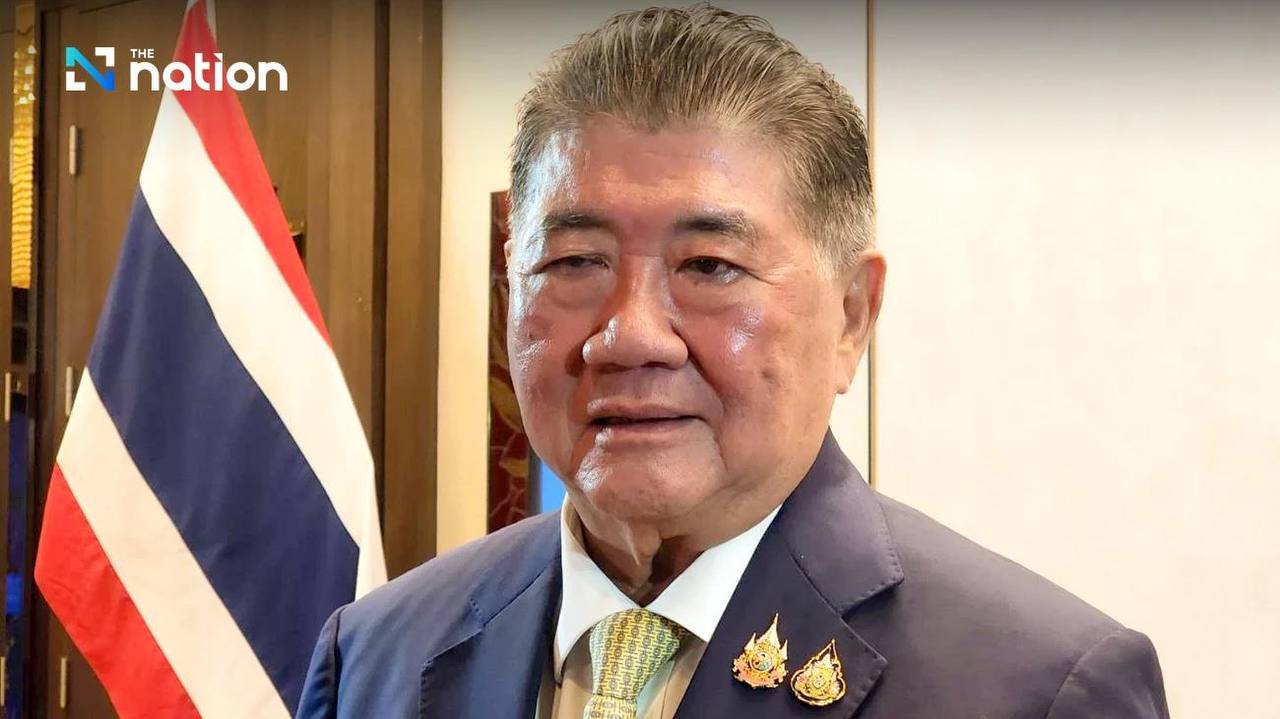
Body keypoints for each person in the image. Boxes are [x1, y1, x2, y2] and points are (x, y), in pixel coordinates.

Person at [296, 6, 1169, 718]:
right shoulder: (374, 655)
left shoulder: (1040, 689)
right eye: (574, 262)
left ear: (851, 316)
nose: (629, 335)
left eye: (709, 267)